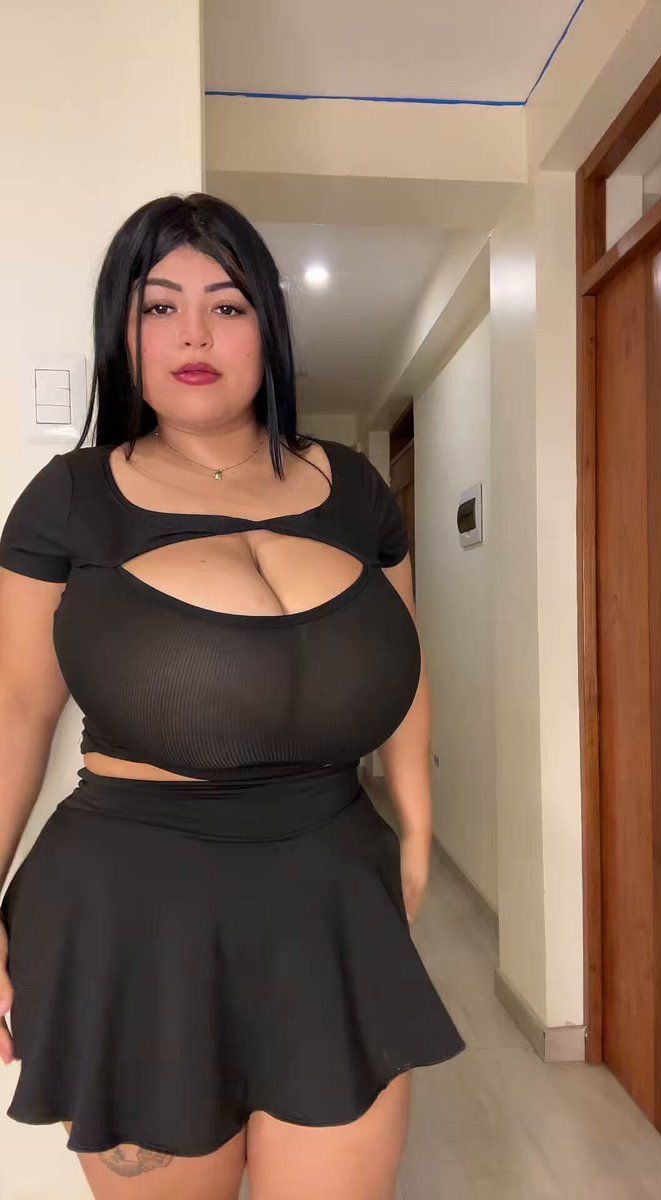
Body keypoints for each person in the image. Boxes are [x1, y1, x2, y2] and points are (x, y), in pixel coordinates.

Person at [0, 193, 464, 1200]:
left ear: (268, 325)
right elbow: (17, 714)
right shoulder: (69, 498)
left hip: (333, 896)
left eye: (227, 304)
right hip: (131, 911)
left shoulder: (355, 490)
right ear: (123, 332)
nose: (195, 336)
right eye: (159, 307)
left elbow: (407, 661)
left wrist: (417, 828)